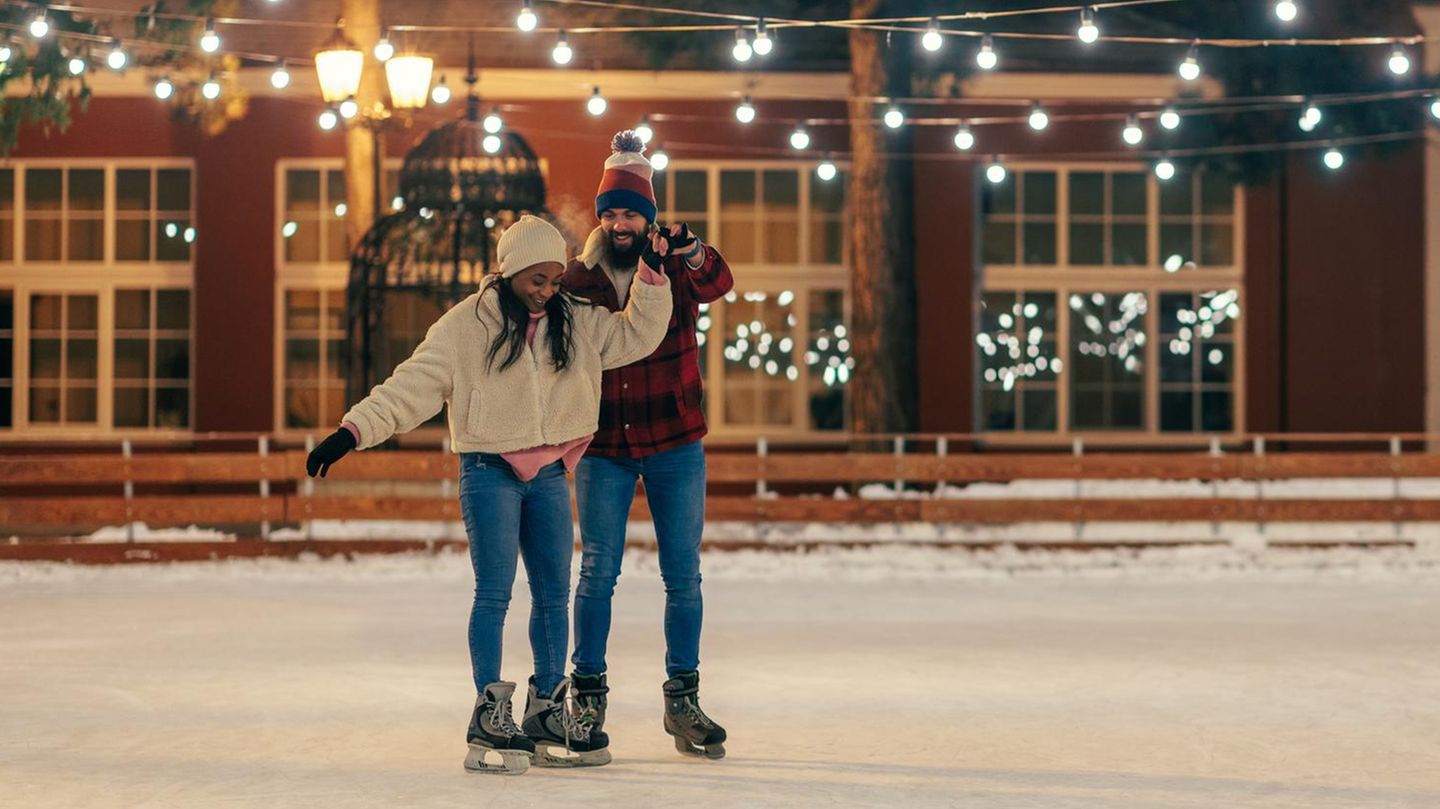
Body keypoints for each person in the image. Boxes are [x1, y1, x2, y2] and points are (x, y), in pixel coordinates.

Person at [304, 214, 673, 774]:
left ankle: (547, 706)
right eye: (537, 280)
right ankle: (489, 711)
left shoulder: (574, 320)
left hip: (548, 473)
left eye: (554, 280)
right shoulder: (465, 326)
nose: (548, 292)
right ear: (510, 272)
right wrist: (351, 432)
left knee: (553, 593)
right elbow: (412, 386)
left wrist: (653, 275)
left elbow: (637, 335)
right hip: (488, 470)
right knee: (495, 592)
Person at [560, 131, 735, 759]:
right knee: (596, 572)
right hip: (604, 444)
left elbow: (719, 280)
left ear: (649, 216)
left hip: (675, 440)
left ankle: (682, 699)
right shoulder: (584, 278)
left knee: (682, 574)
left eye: (629, 212)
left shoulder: (673, 267)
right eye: (609, 213)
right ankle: (586, 698)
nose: (617, 223)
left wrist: (690, 250)